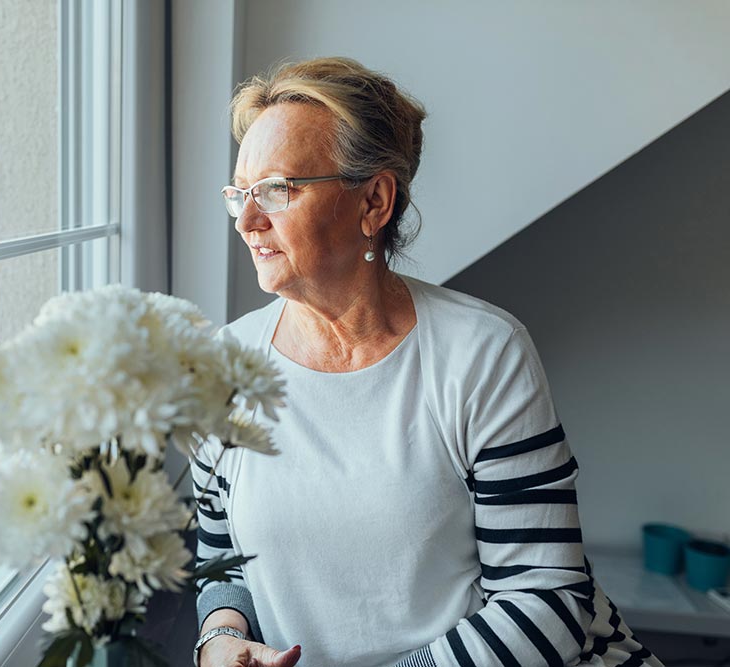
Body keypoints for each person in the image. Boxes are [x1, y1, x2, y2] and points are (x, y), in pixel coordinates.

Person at [191, 57, 664, 667]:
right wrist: (221, 642)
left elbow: (546, 598)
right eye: (239, 195)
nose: (249, 221)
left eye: (277, 191)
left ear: (374, 202)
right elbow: (220, 554)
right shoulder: (223, 368)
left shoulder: (483, 354)